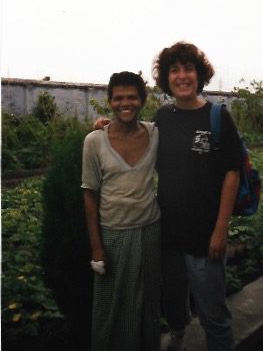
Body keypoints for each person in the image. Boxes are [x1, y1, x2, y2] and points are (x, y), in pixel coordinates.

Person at [153, 41, 242, 351]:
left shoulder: (217, 117)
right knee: (173, 304)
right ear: (166, 78)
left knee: (213, 314)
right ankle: (178, 337)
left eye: (188, 69)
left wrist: (221, 229)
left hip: (205, 236)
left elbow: (232, 172)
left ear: (198, 74)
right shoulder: (163, 118)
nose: (181, 76)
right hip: (167, 235)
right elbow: (139, 142)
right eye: (174, 70)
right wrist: (108, 128)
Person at [81, 71, 161, 351]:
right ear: (110, 101)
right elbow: (89, 195)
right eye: (118, 98)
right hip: (112, 236)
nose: (125, 103)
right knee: (111, 307)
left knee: (148, 304)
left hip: (150, 232)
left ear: (142, 100)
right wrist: (96, 247)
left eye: (132, 97)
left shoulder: (154, 133)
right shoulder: (94, 141)